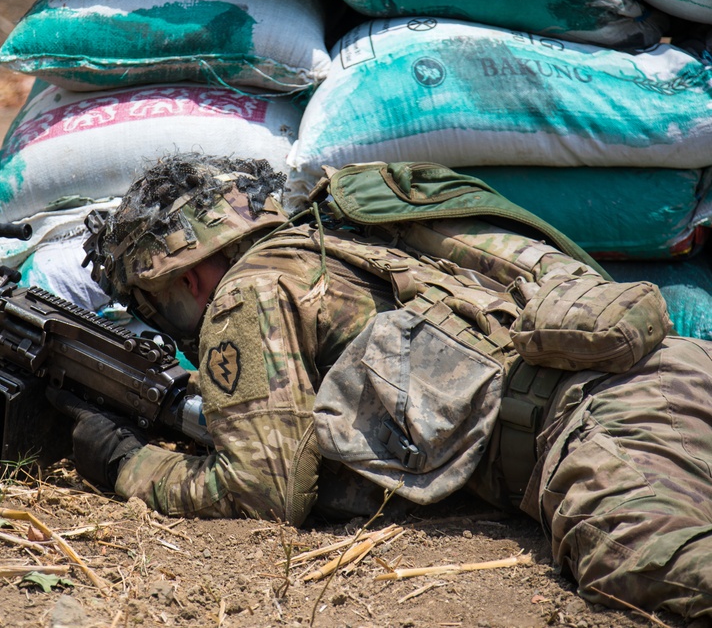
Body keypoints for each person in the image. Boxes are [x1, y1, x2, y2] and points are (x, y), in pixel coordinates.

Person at [55, 153, 712, 622]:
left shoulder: (247, 292)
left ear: (189, 278)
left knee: (659, 570)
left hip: (595, 427)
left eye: (157, 301)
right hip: (678, 366)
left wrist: (128, 462)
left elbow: (264, 489)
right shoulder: (344, 237)